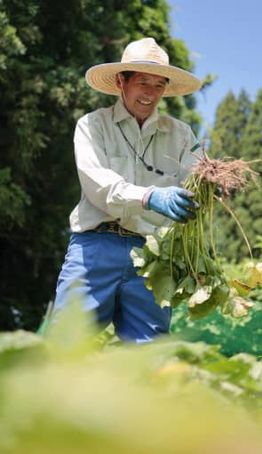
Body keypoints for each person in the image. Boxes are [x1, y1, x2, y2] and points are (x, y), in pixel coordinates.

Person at [52, 37, 202, 342]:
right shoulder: (93, 126)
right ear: (122, 81)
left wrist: (209, 186)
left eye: (158, 85)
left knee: (149, 353)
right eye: (143, 82)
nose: (150, 93)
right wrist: (149, 196)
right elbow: (97, 184)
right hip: (94, 247)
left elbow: (194, 181)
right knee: (65, 344)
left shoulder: (181, 135)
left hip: (151, 255)